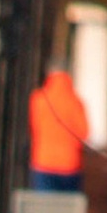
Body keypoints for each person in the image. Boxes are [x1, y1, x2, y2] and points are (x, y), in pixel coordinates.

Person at [26, 60, 89, 193]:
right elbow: (83, 132)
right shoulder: (75, 101)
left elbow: (34, 127)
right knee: (68, 210)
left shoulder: (38, 99)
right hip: (70, 164)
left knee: (45, 208)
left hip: (43, 161)